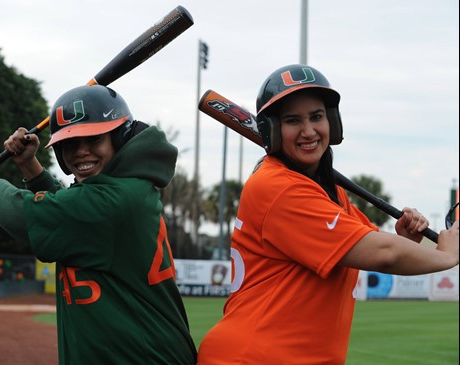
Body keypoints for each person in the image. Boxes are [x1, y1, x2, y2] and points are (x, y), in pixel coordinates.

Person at [196, 64, 459, 365]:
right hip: (253, 357)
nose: (308, 131)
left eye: (317, 117)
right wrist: (447, 257)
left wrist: (409, 240)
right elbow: (383, 253)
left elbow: (375, 244)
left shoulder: (326, 193)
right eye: (293, 120)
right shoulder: (279, 187)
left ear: (332, 121)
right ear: (272, 129)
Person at [0, 85, 197, 364]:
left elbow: (25, 216)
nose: (81, 152)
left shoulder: (112, 201)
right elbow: (67, 206)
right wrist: (30, 167)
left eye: (94, 139)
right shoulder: (121, 189)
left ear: (120, 137)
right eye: (70, 144)